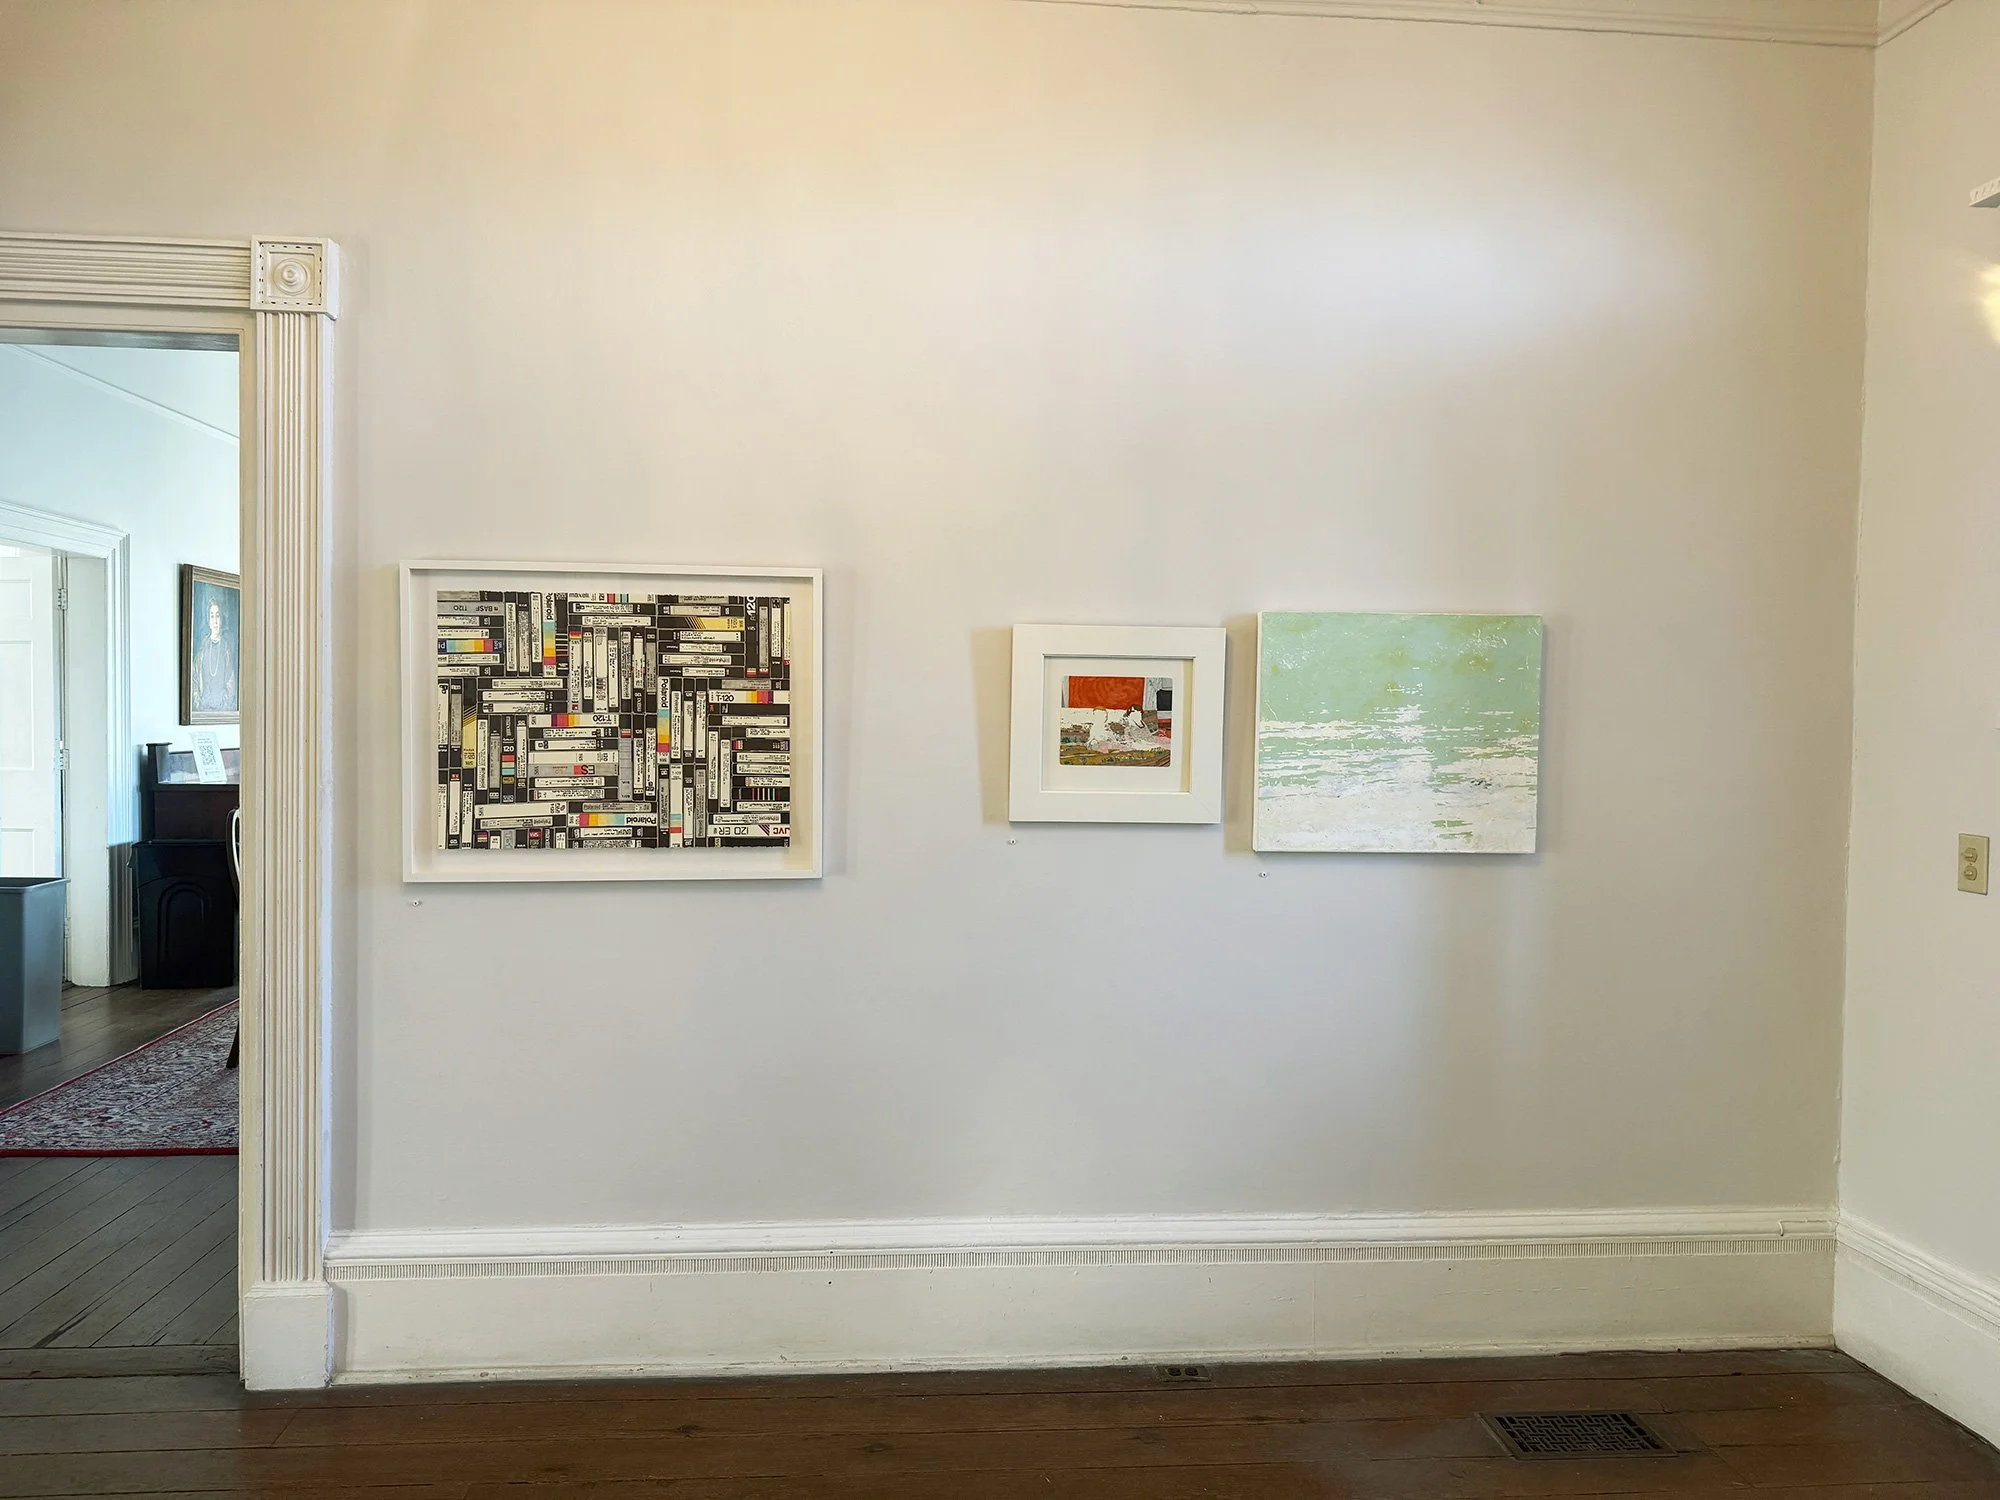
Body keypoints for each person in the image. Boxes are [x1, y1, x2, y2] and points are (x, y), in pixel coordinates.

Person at [192, 594, 237, 714]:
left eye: (217, 616)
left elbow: (230, 682)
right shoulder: (203, 647)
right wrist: (198, 702)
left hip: (222, 709)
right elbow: (195, 677)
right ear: (208, 620)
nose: (215, 621)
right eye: (212, 616)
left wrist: (224, 704)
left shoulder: (225, 647)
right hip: (203, 708)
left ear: (221, 619)